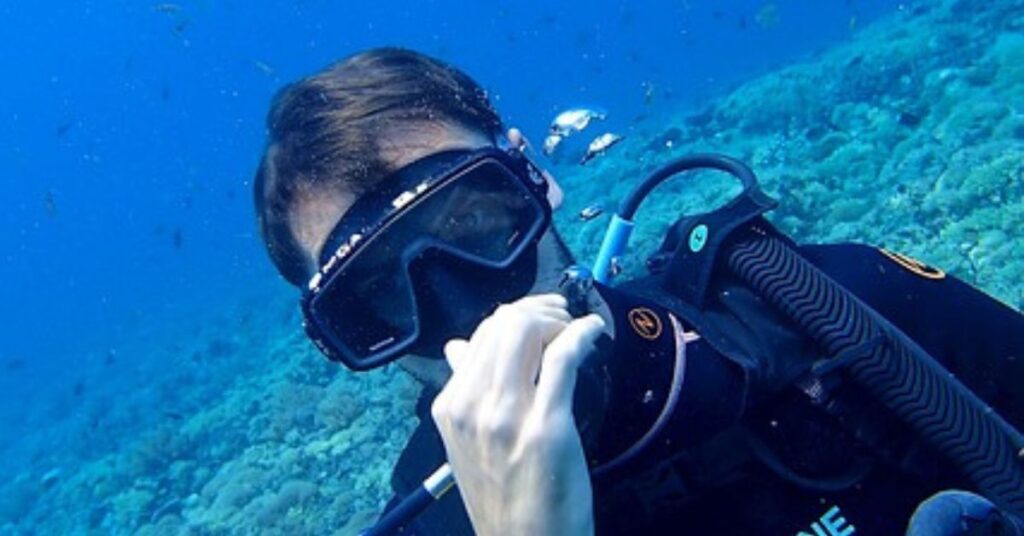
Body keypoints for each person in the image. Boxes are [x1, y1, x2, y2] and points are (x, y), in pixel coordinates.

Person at [253, 47, 1024, 535]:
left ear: (537, 179)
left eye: (479, 220)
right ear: (354, 337)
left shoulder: (826, 305)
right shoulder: (431, 525)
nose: (473, 309)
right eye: (384, 294)